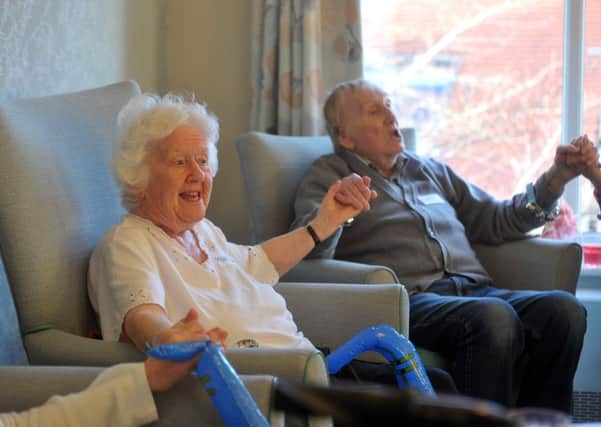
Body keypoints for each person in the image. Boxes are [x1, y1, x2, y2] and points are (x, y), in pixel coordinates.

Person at [86, 93, 457, 392]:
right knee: (424, 399)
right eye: (180, 162)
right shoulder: (128, 243)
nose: (198, 174)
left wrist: (325, 222)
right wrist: (170, 338)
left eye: (202, 161)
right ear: (139, 174)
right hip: (264, 385)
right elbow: (140, 316)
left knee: (436, 386)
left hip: (305, 366)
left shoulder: (204, 233)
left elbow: (259, 263)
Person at [290, 78, 592, 412]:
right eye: (375, 111)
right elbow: (309, 248)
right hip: (408, 299)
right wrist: (337, 214)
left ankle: (537, 421)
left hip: (473, 290)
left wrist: (555, 180)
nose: (392, 117)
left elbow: (497, 219)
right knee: (494, 318)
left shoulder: (428, 169)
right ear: (344, 135)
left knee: (564, 312)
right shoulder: (328, 175)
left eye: (390, 105)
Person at [0, 309, 224, 427]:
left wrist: (148, 376)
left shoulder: (209, 234)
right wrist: (162, 341)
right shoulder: (125, 243)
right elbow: (141, 318)